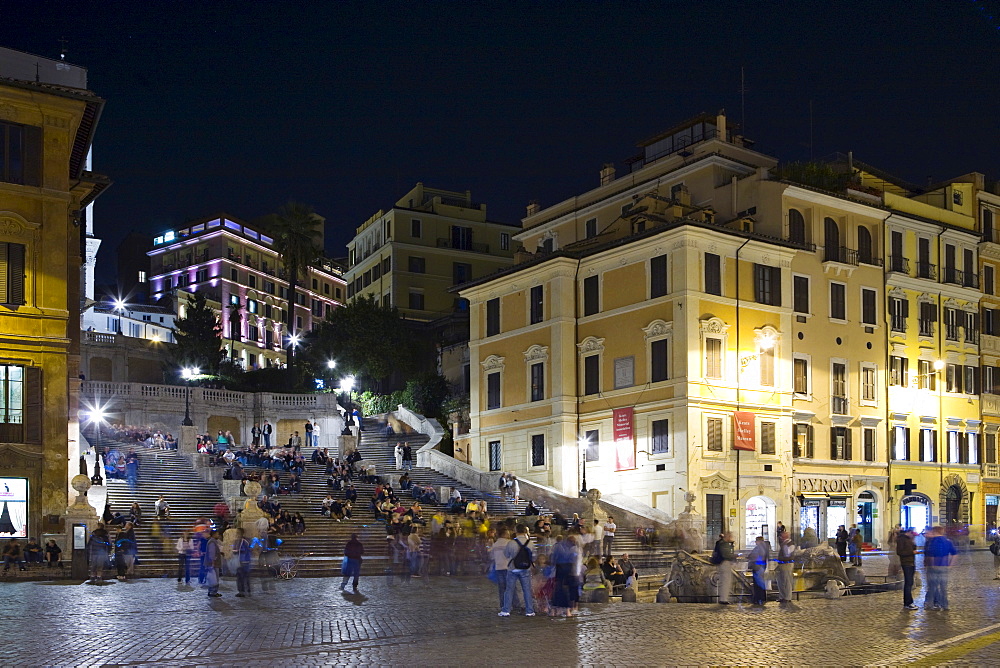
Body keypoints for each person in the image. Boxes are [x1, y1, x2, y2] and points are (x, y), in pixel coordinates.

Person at [500, 524, 535, 617]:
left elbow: (506, 555)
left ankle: (506, 610)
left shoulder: (511, 543)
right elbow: (533, 557)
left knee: (509, 590)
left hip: (513, 568)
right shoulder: (530, 543)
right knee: (527, 590)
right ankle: (529, 611)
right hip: (526, 569)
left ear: (516, 531)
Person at [924, 525, 957, 611]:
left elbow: (931, 555)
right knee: (943, 588)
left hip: (934, 567)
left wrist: (931, 565)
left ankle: (930, 605)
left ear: (934, 532)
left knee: (932, 588)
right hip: (944, 566)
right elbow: (954, 554)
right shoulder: (948, 542)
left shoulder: (932, 542)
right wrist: (950, 565)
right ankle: (945, 605)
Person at [488, 527, 513, 612]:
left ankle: (503, 605)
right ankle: (514, 605)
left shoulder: (495, 544)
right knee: (510, 587)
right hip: (508, 567)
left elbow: (491, 556)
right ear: (505, 534)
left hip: (499, 567)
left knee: (502, 588)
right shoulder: (509, 543)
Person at [896, 527, 918, 610]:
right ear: (909, 532)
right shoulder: (901, 539)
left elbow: (912, 548)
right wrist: (911, 552)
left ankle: (908, 602)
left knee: (910, 582)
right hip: (906, 563)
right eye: (913, 534)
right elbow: (899, 552)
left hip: (911, 562)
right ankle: (908, 602)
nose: (913, 536)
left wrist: (913, 543)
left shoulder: (909, 539)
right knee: (908, 583)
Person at [712, 532, 736, 605]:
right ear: (727, 536)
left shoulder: (721, 543)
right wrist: (735, 556)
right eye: (730, 536)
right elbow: (726, 554)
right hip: (724, 563)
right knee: (726, 581)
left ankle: (724, 598)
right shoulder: (724, 544)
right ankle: (723, 599)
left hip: (723, 563)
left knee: (725, 581)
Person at [748, 535, 769, 606]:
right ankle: (760, 598)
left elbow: (756, 556)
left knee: (758, 584)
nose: (755, 542)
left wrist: (752, 557)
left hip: (758, 567)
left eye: (756, 541)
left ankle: (759, 599)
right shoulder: (764, 547)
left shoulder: (759, 548)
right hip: (760, 567)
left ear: (759, 541)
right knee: (759, 583)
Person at [775, 531, 795, 605]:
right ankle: (782, 596)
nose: (781, 537)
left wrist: (784, 546)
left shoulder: (790, 544)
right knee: (781, 581)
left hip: (787, 564)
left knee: (787, 581)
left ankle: (787, 597)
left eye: (782, 535)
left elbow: (787, 554)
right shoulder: (784, 543)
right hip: (782, 563)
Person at [233, 528, 252, 597]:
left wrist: (236, 552)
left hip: (244, 561)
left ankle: (245, 591)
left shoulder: (244, 541)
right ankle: (242, 591)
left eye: (238, 533)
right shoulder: (238, 541)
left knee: (244, 577)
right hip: (241, 561)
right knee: (240, 577)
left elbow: (244, 551)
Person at [205, 529, 223, 597]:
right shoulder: (212, 542)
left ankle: (211, 591)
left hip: (212, 563)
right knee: (214, 578)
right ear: (214, 534)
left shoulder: (213, 541)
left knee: (212, 578)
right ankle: (213, 592)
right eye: (217, 534)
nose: (218, 535)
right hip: (213, 564)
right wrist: (213, 562)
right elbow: (211, 553)